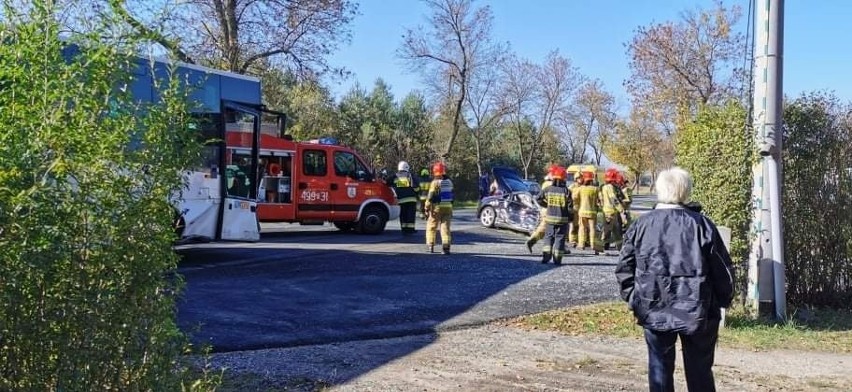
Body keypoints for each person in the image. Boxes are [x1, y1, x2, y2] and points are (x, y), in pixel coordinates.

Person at [615, 167, 734, 392]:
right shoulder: (702, 225)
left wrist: (635, 299)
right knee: (700, 372)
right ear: (686, 191)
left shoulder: (641, 226)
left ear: (660, 190)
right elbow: (723, 271)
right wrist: (722, 301)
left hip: (654, 308)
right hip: (698, 311)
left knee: (659, 370)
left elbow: (624, 269)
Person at [536, 165, 573, 264]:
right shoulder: (566, 191)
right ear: (563, 179)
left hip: (550, 219)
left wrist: (547, 205)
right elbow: (570, 207)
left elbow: (538, 198)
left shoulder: (548, 189)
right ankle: (557, 258)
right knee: (560, 238)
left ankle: (546, 257)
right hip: (562, 220)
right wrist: (571, 218)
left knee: (548, 237)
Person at [524, 165, 555, 253]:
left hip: (545, 209)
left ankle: (532, 241)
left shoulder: (545, 183)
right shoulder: (551, 184)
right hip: (551, 209)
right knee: (554, 228)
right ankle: (559, 247)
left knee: (544, 228)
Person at [425, 162, 454, 254]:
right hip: (448, 207)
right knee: (445, 228)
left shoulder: (434, 183)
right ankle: (446, 248)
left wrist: (426, 208)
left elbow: (430, 197)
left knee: (432, 226)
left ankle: (431, 245)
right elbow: (452, 195)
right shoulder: (450, 182)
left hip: (437, 208)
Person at [574, 171, 601, 255]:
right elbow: (600, 199)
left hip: (582, 212)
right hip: (592, 212)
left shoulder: (581, 188)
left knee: (582, 228)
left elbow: (574, 197)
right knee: (592, 229)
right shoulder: (596, 189)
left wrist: (578, 203)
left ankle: (581, 244)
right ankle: (593, 245)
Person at [600, 168, 626, 251]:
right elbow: (613, 199)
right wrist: (621, 209)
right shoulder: (610, 187)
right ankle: (600, 248)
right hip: (609, 212)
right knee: (607, 231)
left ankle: (620, 248)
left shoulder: (604, 187)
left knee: (616, 231)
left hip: (610, 212)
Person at [390, 161, 419, 234]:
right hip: (411, 199)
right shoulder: (410, 175)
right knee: (410, 215)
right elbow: (416, 187)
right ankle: (410, 230)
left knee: (403, 215)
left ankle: (404, 229)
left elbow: (388, 182)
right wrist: (417, 193)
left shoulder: (395, 176)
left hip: (401, 200)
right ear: (407, 167)